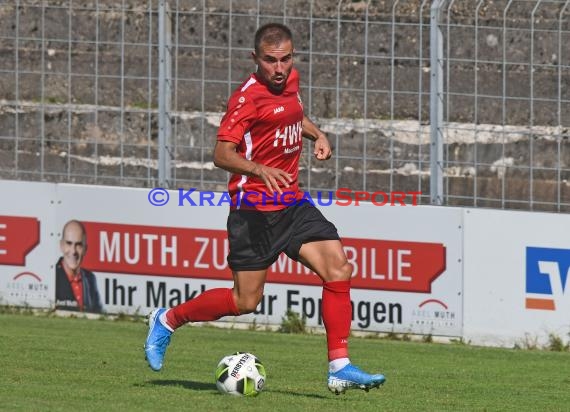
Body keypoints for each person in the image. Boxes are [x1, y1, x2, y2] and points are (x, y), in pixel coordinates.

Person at [144, 22, 385, 394]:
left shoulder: (291, 81)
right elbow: (221, 154)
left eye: (286, 59)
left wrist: (317, 134)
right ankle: (167, 320)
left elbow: (291, 115)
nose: (279, 68)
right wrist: (258, 169)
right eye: (271, 60)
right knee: (245, 301)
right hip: (253, 210)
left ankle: (339, 366)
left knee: (338, 267)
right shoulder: (246, 99)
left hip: (292, 203)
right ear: (255, 58)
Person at [55, 219, 103, 314]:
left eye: (78, 245)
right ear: (61, 246)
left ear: (85, 249)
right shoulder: (52, 276)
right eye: (69, 243)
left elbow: (98, 313)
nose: (73, 251)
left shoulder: (91, 279)